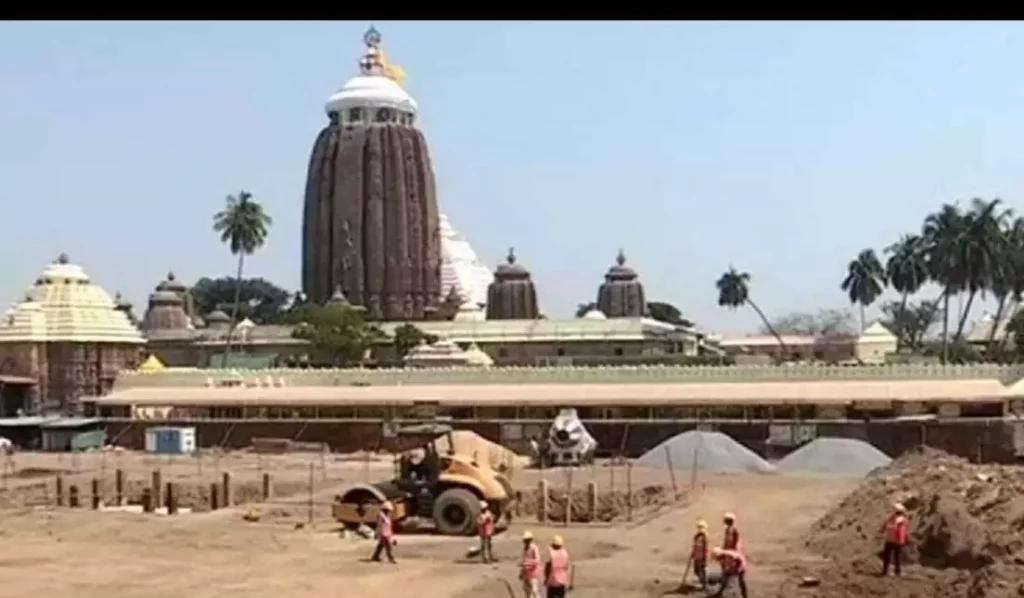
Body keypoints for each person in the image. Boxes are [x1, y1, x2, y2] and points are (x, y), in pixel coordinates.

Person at [881, 502, 910, 576]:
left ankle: (885, 571)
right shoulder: (904, 520)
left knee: (887, 556)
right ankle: (897, 572)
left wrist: (882, 532)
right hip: (898, 541)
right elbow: (906, 531)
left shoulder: (890, 518)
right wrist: (906, 539)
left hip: (889, 539)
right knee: (897, 557)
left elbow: (884, 526)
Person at [686, 519, 709, 590]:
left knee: (702, 571)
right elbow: (694, 546)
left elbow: (706, 549)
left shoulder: (705, 537)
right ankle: (703, 583)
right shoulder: (696, 537)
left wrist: (705, 558)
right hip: (696, 557)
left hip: (702, 557)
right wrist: (693, 553)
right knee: (696, 571)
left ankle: (704, 585)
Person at [519, 531, 542, 598]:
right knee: (526, 589)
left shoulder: (534, 548)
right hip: (526, 571)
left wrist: (526, 562)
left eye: (527, 540)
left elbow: (537, 560)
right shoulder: (524, 548)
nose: (525, 542)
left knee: (534, 589)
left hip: (533, 571)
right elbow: (523, 560)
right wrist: (521, 572)